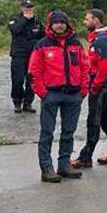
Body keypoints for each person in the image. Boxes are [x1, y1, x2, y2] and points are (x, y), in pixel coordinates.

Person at [28, 10, 89, 183]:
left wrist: (83, 90)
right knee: (47, 133)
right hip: (51, 94)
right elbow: (34, 71)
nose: (60, 25)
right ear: (50, 25)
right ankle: (47, 168)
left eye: (63, 22)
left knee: (68, 132)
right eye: (56, 22)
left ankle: (64, 165)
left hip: (73, 94)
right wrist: (43, 93)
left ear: (67, 24)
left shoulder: (75, 44)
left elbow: (85, 67)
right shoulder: (42, 45)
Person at [73, 9, 107, 168]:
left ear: (96, 20)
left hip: (102, 85)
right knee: (105, 119)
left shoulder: (101, 39)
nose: (84, 22)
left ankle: (85, 158)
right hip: (102, 84)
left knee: (93, 121)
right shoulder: (97, 38)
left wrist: (95, 86)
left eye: (87, 19)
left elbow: (105, 65)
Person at [7, 0, 42, 113]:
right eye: (27, 7)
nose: (29, 10)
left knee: (31, 80)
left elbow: (43, 36)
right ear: (21, 8)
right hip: (19, 54)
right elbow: (15, 30)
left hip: (33, 56)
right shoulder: (15, 19)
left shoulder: (36, 22)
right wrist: (25, 19)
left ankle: (28, 103)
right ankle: (17, 101)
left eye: (31, 7)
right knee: (17, 79)